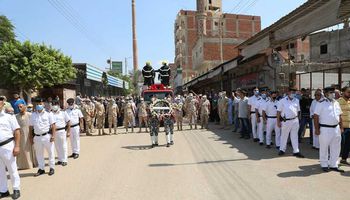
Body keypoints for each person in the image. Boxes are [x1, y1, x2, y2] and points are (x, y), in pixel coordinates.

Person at [314, 87, 344, 172]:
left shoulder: (336, 103)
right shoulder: (321, 103)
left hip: (336, 128)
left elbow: (340, 115)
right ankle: (324, 164)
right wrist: (317, 129)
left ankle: (333, 164)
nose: (333, 94)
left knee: (336, 147)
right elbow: (316, 117)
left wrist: (341, 127)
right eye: (331, 92)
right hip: (325, 128)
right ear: (326, 93)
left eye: (333, 92)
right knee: (324, 147)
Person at [0, 96, 21, 199]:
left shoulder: (9, 116)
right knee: (0, 171)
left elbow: (17, 131)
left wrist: (17, 146)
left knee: (12, 169)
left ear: (3, 103)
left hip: (8, 146)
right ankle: (3, 190)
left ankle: (16, 188)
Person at [29, 98, 56, 176]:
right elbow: (30, 127)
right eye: (37, 104)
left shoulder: (48, 114)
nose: (38, 105)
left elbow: (53, 125)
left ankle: (52, 168)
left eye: (40, 104)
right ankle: (41, 169)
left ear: (43, 104)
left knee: (50, 152)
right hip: (37, 137)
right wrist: (31, 137)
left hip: (47, 136)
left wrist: (53, 136)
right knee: (39, 154)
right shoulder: (33, 115)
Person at [277, 88, 304, 158]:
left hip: (295, 120)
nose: (293, 94)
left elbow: (298, 111)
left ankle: (296, 151)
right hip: (286, 121)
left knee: (295, 136)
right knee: (284, 136)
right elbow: (278, 112)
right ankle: (282, 149)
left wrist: (298, 119)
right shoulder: (282, 101)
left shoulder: (296, 100)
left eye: (294, 92)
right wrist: (278, 121)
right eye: (292, 92)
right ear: (288, 92)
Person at [16, 103, 36, 170]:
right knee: (21, 150)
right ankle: (21, 165)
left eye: (21, 107)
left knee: (29, 149)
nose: (19, 108)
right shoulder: (16, 116)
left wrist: (32, 135)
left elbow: (33, 126)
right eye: (18, 107)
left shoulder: (30, 115)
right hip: (20, 135)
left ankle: (30, 164)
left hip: (28, 135)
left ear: (25, 107)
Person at [52, 101, 70, 166]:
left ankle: (64, 160)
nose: (54, 106)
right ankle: (60, 159)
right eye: (53, 104)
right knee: (57, 146)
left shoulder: (63, 113)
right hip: (54, 132)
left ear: (58, 105)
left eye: (55, 104)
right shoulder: (50, 114)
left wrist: (68, 132)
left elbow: (68, 122)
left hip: (62, 131)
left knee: (63, 146)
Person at [338, 86, 350, 165]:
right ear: (343, 92)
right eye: (348, 92)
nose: (349, 93)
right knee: (341, 144)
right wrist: (340, 127)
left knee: (348, 144)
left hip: (349, 126)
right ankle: (333, 160)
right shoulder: (337, 102)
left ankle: (344, 159)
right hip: (341, 127)